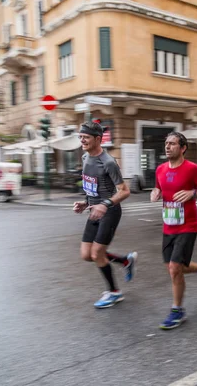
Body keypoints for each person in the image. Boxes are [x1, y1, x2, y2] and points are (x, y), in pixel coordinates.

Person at [150, 131, 197, 330]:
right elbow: (159, 188)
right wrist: (156, 193)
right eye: (166, 143)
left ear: (183, 148)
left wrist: (192, 193)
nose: (168, 147)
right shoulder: (160, 169)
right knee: (173, 268)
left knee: (175, 268)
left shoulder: (192, 169)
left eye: (172, 144)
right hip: (168, 224)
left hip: (188, 225)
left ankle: (177, 311)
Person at [72, 121, 136, 308]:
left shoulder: (108, 162)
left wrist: (105, 204)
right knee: (87, 255)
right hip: (94, 210)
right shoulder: (85, 158)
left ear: (98, 139)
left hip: (109, 211)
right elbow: (95, 187)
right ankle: (125, 260)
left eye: (86, 137)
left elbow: (124, 191)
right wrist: (85, 202)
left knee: (97, 253)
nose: (82, 140)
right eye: (81, 137)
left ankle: (114, 292)